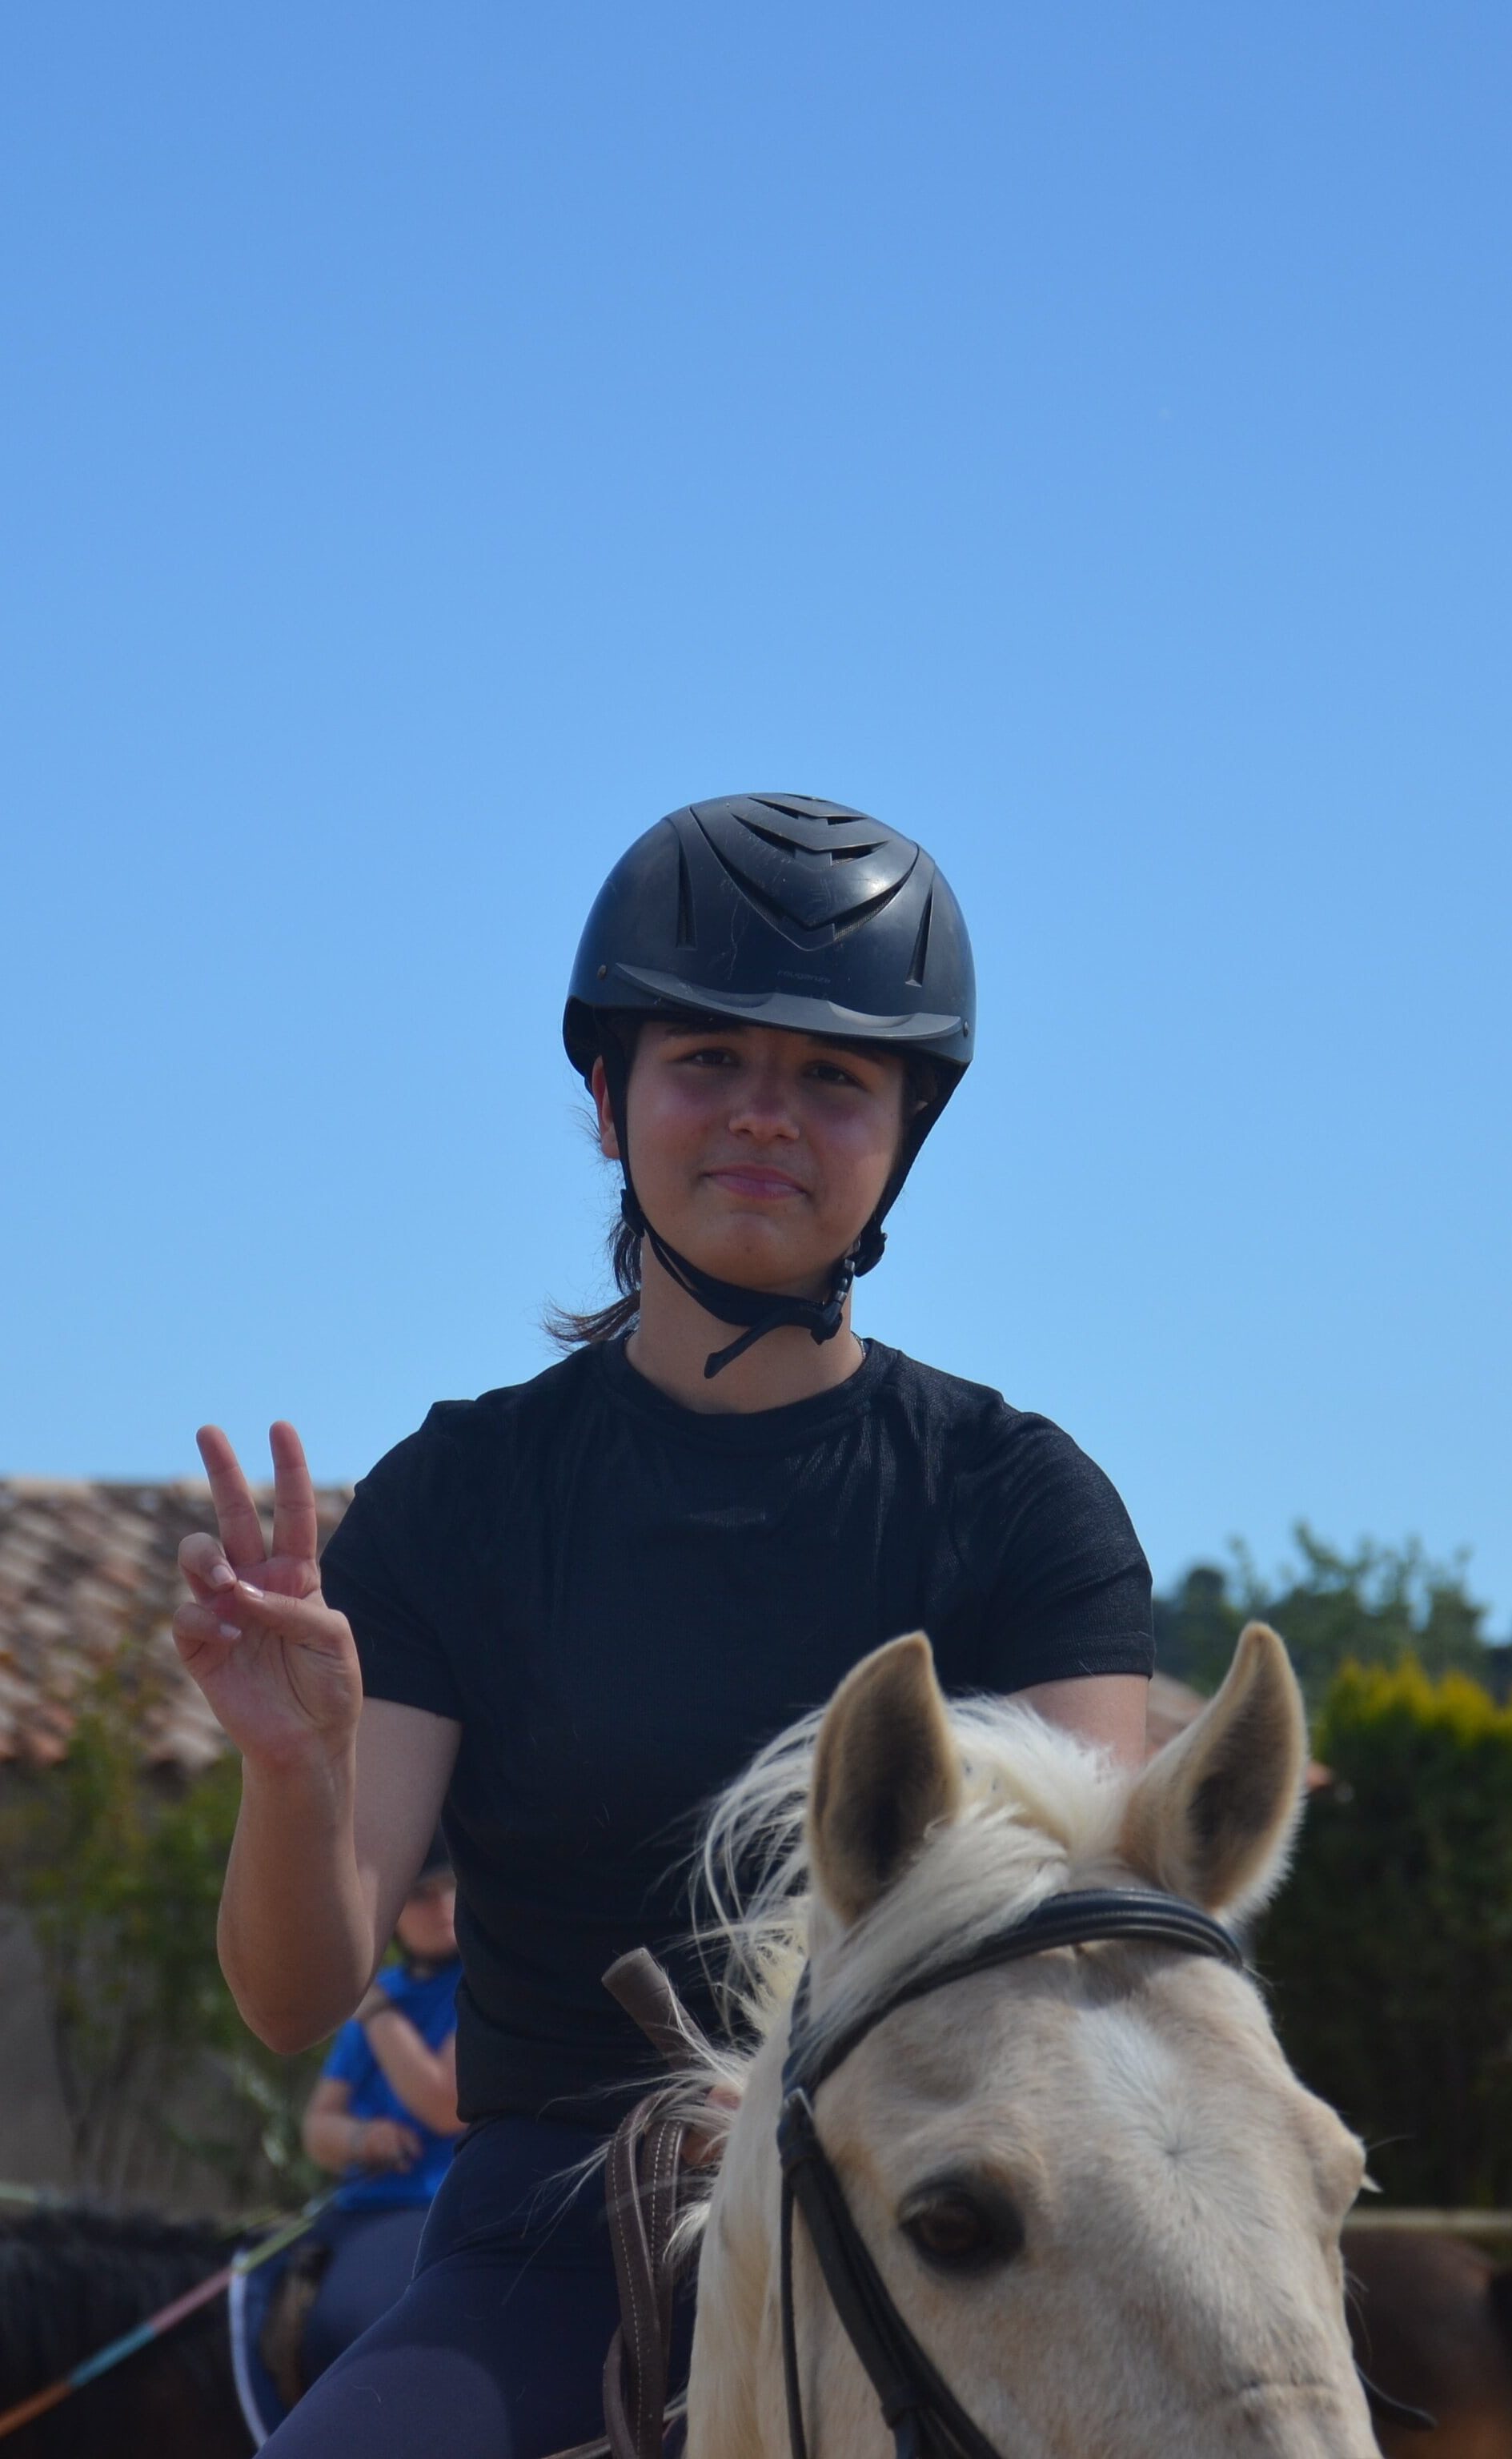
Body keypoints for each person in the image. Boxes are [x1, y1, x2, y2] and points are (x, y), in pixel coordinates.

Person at [172, 793, 1153, 2459]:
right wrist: (291, 1774)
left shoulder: (1021, 1507)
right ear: (609, 1096)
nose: (764, 1115)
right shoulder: (461, 1497)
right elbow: (292, 1997)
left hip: (937, 2246)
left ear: (902, 1125)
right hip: (548, 2246)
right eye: (707, 1060)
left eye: (831, 1076)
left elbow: (1083, 1974)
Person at [231, 1846, 463, 2441]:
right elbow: (318, 2131)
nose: (439, 1906)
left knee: (352, 2320)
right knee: (243, 2302)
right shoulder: (382, 1989)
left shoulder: (482, 1981)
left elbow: (444, 2105)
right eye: (418, 1895)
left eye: (448, 1887)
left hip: (433, 2206)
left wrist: (375, 2011)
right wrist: (362, 2137)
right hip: (356, 2209)